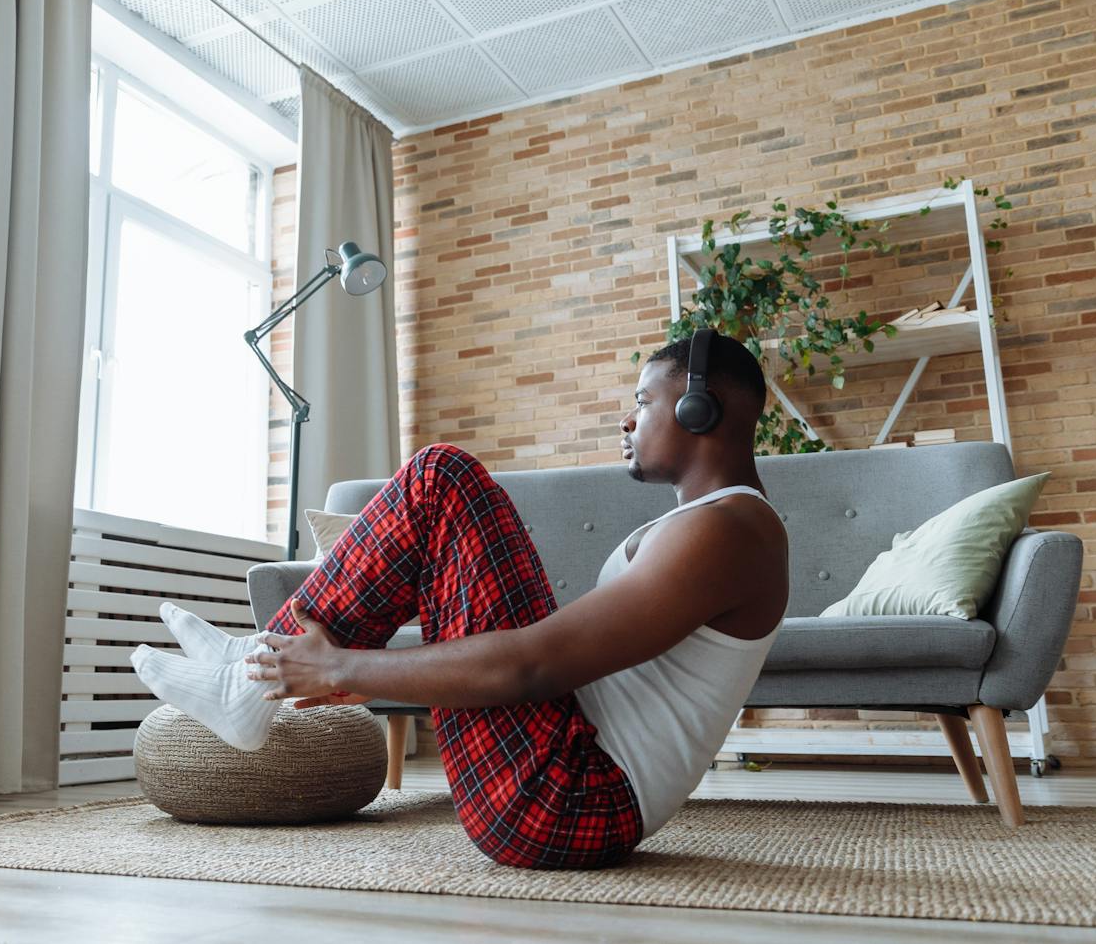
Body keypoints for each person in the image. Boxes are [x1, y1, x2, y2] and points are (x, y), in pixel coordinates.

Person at [131, 330, 789, 870]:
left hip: (571, 798)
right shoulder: (709, 523)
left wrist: (341, 667)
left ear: (699, 408)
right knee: (438, 482)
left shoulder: (727, 530)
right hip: (563, 783)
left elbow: (533, 666)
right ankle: (252, 669)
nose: (626, 417)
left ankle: (248, 680)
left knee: (442, 476)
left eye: (643, 400)